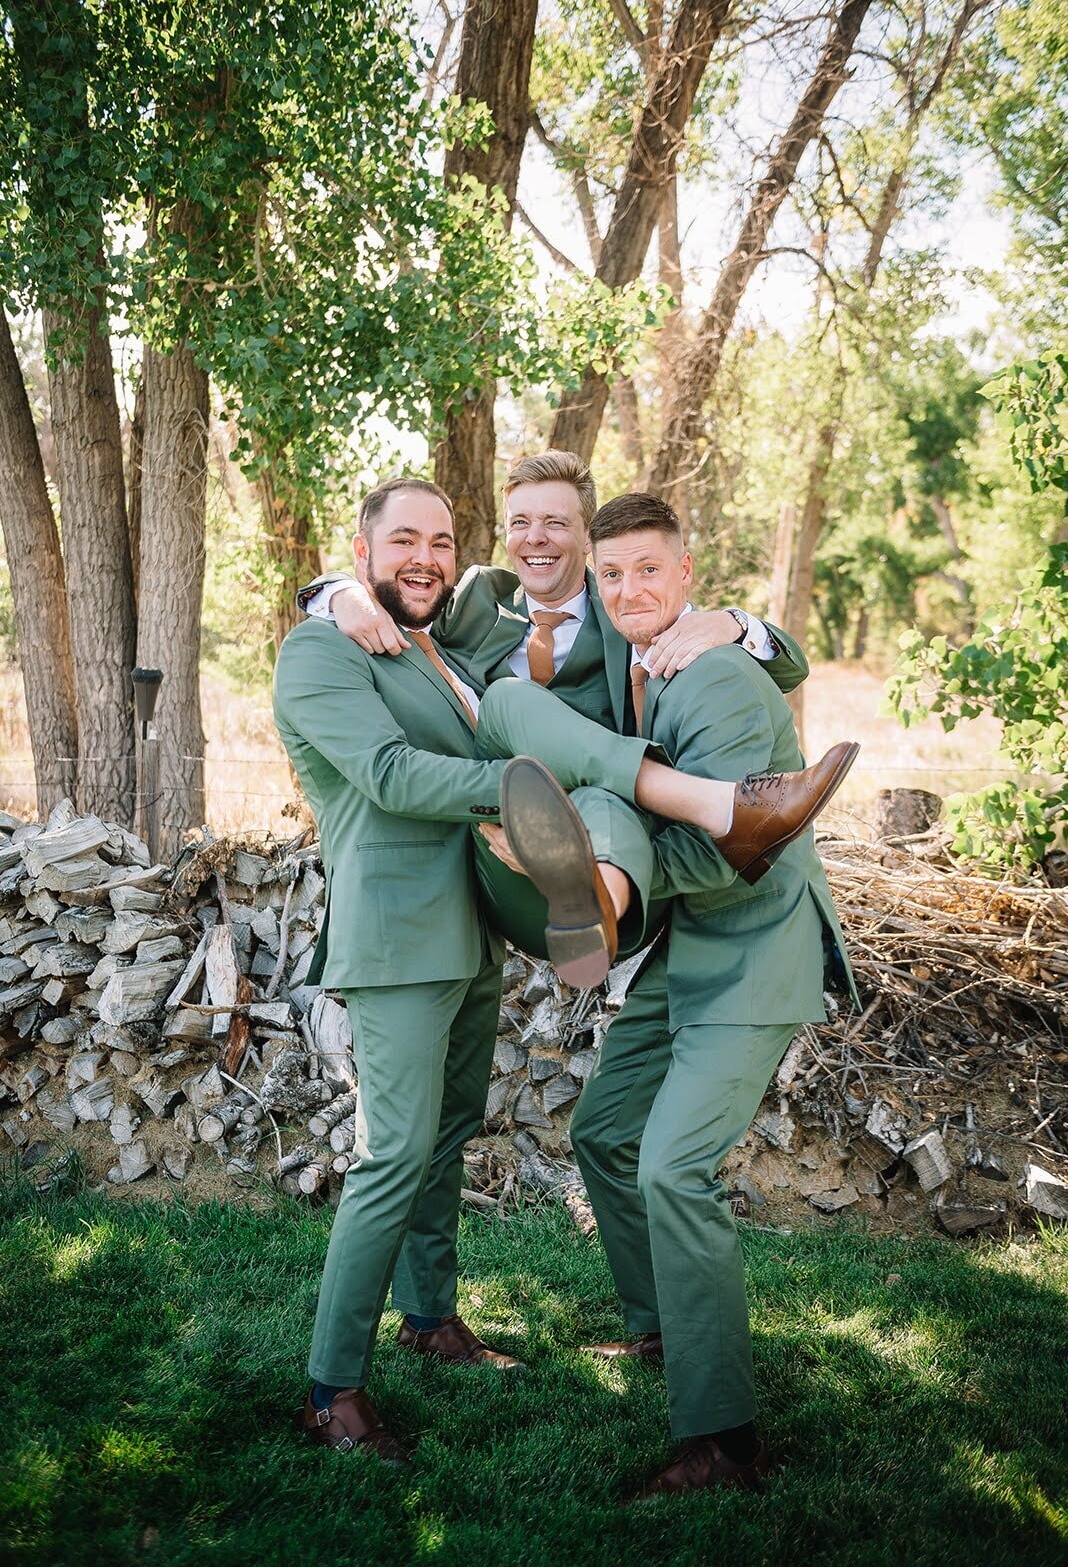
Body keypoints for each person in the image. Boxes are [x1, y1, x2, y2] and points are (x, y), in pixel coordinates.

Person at [274, 476, 848, 1464]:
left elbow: (772, 646)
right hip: (401, 935)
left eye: (440, 541)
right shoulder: (353, 639)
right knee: (396, 1157)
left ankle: (429, 1317)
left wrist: (734, 623)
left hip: (486, 928)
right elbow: (393, 772)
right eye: (404, 540)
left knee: (444, 1137)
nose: (427, 557)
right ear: (365, 550)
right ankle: (333, 1389)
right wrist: (331, 593)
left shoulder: (459, 638)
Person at [480, 492, 860, 1499]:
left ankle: (724, 1440)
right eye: (613, 575)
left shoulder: (722, 672)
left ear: (689, 572)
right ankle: (663, 1334)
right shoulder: (637, 669)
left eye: (649, 568)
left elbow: (743, 851)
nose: (629, 589)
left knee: (672, 1169)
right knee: (604, 1132)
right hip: (683, 952)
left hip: (752, 953)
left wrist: (619, 858)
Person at [299, 447, 822, 983]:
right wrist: (338, 592)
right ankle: (714, 807)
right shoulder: (476, 600)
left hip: (620, 859)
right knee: (507, 700)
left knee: (593, 792)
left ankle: (597, 907)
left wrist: (734, 623)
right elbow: (405, 585)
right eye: (520, 523)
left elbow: (788, 670)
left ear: (588, 539)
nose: (536, 538)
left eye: (556, 523)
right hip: (504, 856)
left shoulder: (627, 603)